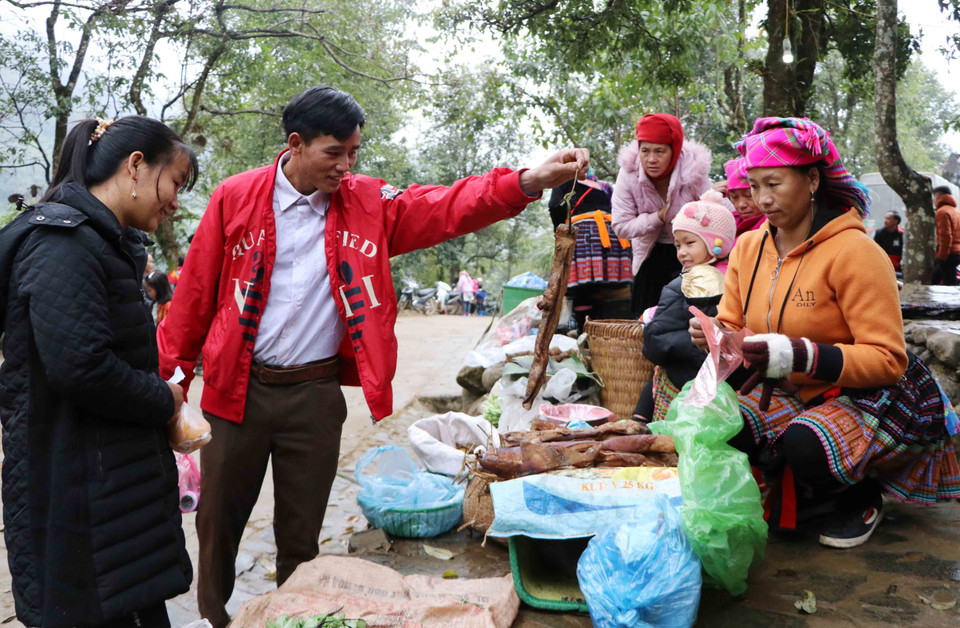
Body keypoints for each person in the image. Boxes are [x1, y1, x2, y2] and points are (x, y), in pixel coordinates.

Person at [154, 85, 589, 628]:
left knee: (301, 534)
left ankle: (292, 617)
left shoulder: (367, 202)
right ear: (295, 144)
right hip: (234, 392)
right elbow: (194, 295)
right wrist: (171, 387)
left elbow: (444, 206)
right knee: (217, 525)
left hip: (313, 397)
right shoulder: (235, 197)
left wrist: (527, 181)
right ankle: (215, 617)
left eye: (354, 152)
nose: (347, 165)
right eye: (334, 153)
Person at [690, 117, 960, 548]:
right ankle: (810, 483)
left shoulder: (857, 252)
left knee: (804, 444)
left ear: (812, 178)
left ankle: (861, 495)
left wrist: (794, 354)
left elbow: (888, 360)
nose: (762, 199)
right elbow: (734, 323)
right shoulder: (747, 248)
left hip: (870, 392)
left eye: (774, 184)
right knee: (721, 422)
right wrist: (715, 334)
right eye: (754, 185)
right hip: (794, 388)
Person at [0, 116, 198, 627]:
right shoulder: (63, 243)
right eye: (175, 182)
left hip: (108, 479)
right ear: (136, 166)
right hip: (77, 483)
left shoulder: (106, 242)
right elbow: (81, 366)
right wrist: (163, 400)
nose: (175, 200)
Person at [633, 190, 737, 422]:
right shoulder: (736, 279)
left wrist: (651, 325)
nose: (682, 253)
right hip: (722, 379)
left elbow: (656, 343)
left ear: (716, 244)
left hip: (685, 377)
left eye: (690, 243)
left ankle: (638, 421)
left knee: (657, 373)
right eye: (678, 245)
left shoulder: (682, 285)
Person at [611, 113, 713, 316]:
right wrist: (657, 216)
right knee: (645, 320)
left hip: (691, 255)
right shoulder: (628, 173)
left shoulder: (694, 171)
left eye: (659, 151)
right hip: (649, 254)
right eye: (645, 150)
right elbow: (621, 225)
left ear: (674, 150)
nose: (651, 159)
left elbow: (715, 216)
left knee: (687, 318)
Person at [548, 169, 633, 330]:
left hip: (585, 236)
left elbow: (554, 205)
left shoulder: (566, 182)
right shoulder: (605, 187)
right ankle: (600, 332)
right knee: (601, 288)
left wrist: (559, 230)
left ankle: (584, 333)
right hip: (611, 236)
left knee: (581, 289)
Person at [718, 156, 766, 236]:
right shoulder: (728, 222)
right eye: (734, 197)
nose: (741, 205)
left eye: (748, 195)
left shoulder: (774, 224)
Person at [933, 186, 960, 285]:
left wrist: (941, 256)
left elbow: (946, 236)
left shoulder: (942, 212)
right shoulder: (956, 211)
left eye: (934, 197)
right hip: (956, 252)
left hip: (948, 253)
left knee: (936, 280)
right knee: (950, 281)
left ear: (938, 196)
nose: (933, 200)